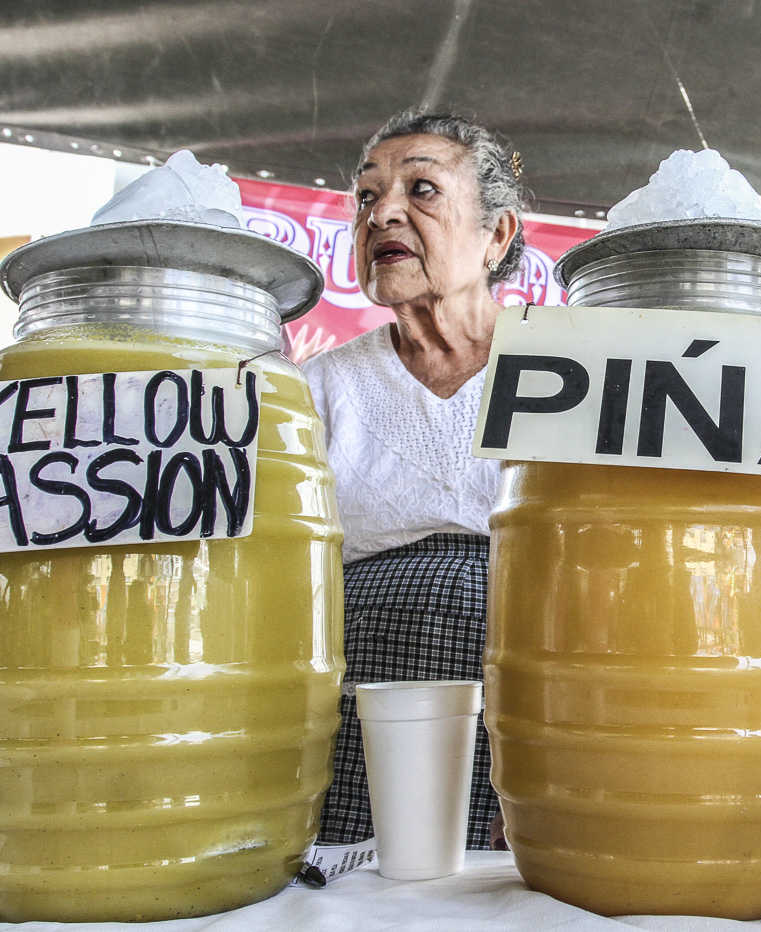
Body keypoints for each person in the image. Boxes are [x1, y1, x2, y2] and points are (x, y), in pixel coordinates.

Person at [303, 110, 526, 849]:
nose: (383, 213)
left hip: (522, 721)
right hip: (348, 731)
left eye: (421, 189)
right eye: (367, 197)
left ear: (497, 235)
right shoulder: (317, 390)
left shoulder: (565, 371)